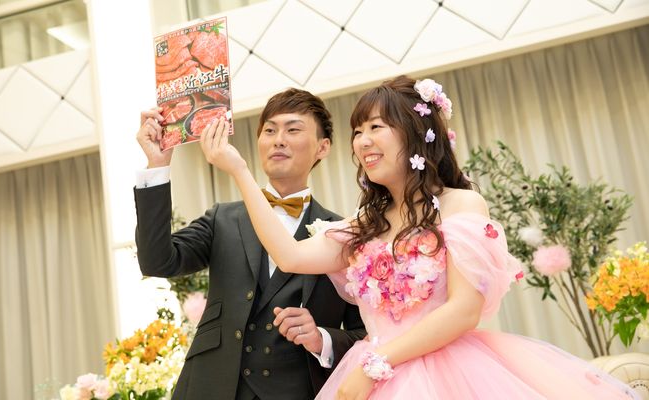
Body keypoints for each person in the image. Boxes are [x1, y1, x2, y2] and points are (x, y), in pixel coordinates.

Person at [197, 75, 639, 399]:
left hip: (447, 374)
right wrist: (239, 170)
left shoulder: (460, 205)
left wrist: (376, 365)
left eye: (376, 127)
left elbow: (464, 310)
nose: (362, 142)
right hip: (373, 375)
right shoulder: (364, 225)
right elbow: (289, 254)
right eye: (357, 132)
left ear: (413, 133)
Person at [134, 88, 366, 400]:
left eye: (293, 130)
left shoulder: (344, 235)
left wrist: (321, 337)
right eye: (269, 130)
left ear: (323, 147)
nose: (278, 140)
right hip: (210, 389)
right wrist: (157, 165)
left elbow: (366, 335)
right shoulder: (222, 219)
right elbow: (157, 261)